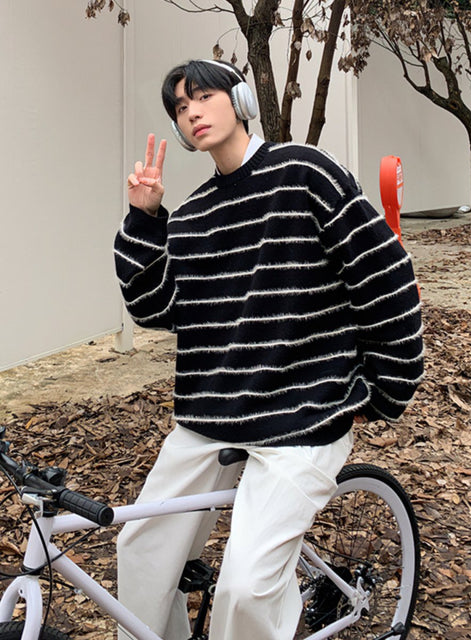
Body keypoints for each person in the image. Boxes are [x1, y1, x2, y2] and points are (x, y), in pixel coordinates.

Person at [114, 59, 423, 640]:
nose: (192, 112)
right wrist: (145, 216)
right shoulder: (197, 215)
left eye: (203, 97)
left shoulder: (305, 172)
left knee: (244, 592)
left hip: (304, 414)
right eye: (181, 108)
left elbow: (383, 274)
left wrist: (388, 385)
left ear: (242, 99)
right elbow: (156, 307)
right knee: (139, 555)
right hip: (211, 417)